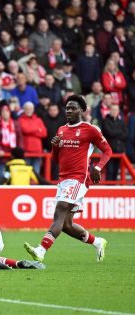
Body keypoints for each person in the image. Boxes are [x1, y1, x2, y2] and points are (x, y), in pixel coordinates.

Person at [24, 95, 112, 263]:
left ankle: (41, 250)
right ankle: (98, 242)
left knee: (60, 211)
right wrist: (55, 146)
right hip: (63, 179)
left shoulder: (90, 129)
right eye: (67, 108)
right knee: (66, 225)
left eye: (73, 108)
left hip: (79, 178)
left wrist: (98, 167)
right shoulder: (61, 130)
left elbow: (108, 151)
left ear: (82, 110)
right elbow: (56, 159)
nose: (69, 111)